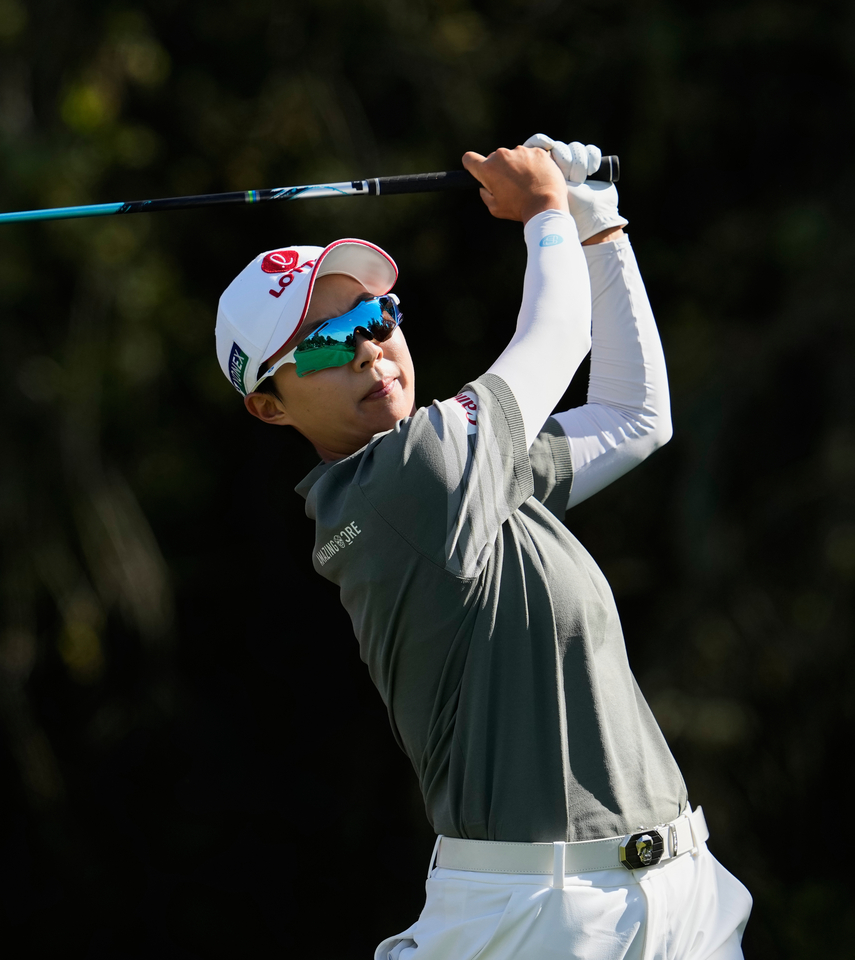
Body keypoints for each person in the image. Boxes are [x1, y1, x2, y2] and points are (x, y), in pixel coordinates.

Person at [212, 136, 753, 959]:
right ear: (270, 409)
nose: (366, 347)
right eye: (322, 343)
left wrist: (600, 227)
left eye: (373, 315)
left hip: (679, 892)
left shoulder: (472, 476)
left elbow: (638, 418)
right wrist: (544, 213)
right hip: (541, 913)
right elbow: (559, 336)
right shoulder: (414, 477)